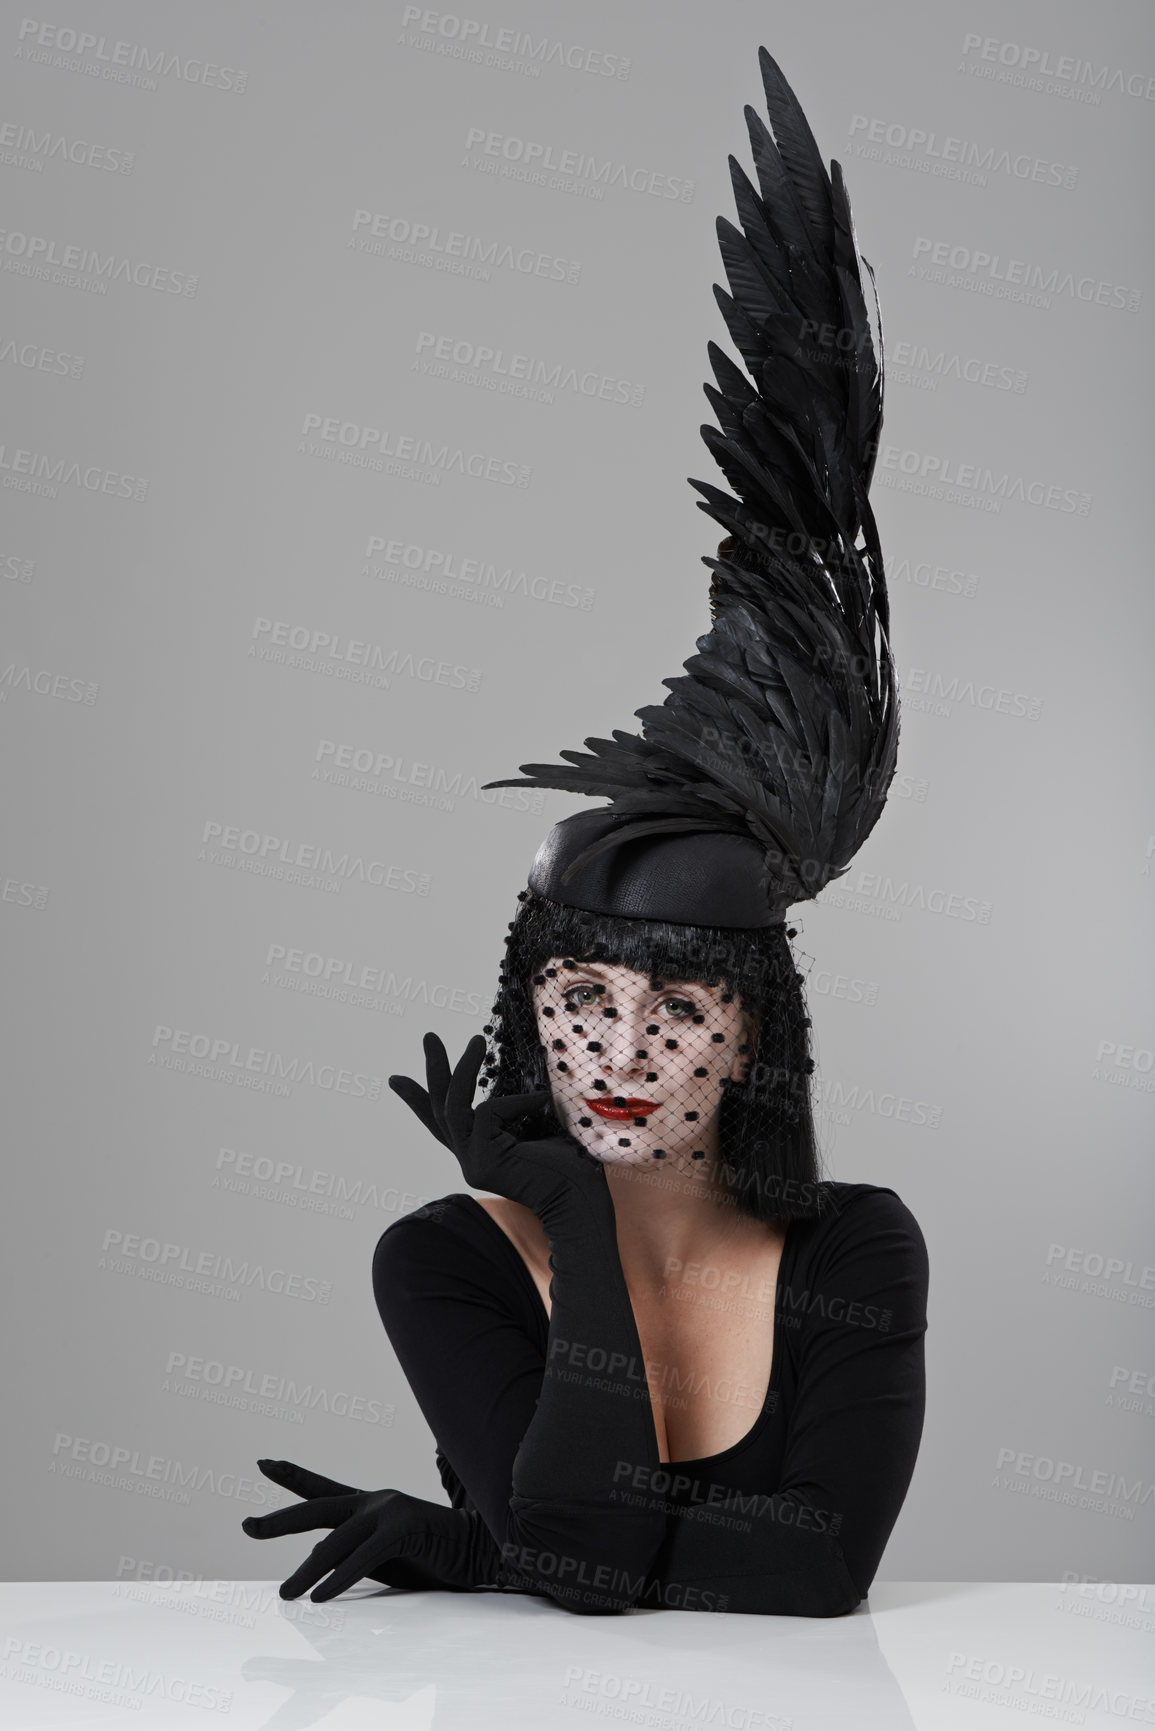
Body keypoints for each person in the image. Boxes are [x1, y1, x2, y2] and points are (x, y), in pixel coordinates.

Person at [242, 45, 930, 1616]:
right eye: (581, 1002)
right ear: (530, 1016)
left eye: (679, 1007)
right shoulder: (442, 1258)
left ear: (752, 1036)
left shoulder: (858, 1254)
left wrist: (497, 1542)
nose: (617, 1049)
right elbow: (596, 1586)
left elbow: (819, 1579)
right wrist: (558, 1204)